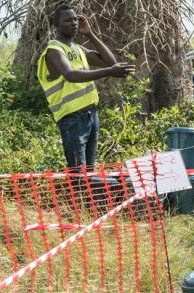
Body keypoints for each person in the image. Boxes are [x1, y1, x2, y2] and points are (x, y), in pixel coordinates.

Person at [36, 5, 135, 170]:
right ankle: (76, 196)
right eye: (68, 20)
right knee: (78, 171)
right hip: (72, 118)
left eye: (75, 19)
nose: (74, 23)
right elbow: (71, 75)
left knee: (89, 169)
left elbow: (111, 62)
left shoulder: (78, 49)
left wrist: (90, 34)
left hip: (91, 114)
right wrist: (110, 72)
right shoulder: (54, 50)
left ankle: (85, 196)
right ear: (56, 25)